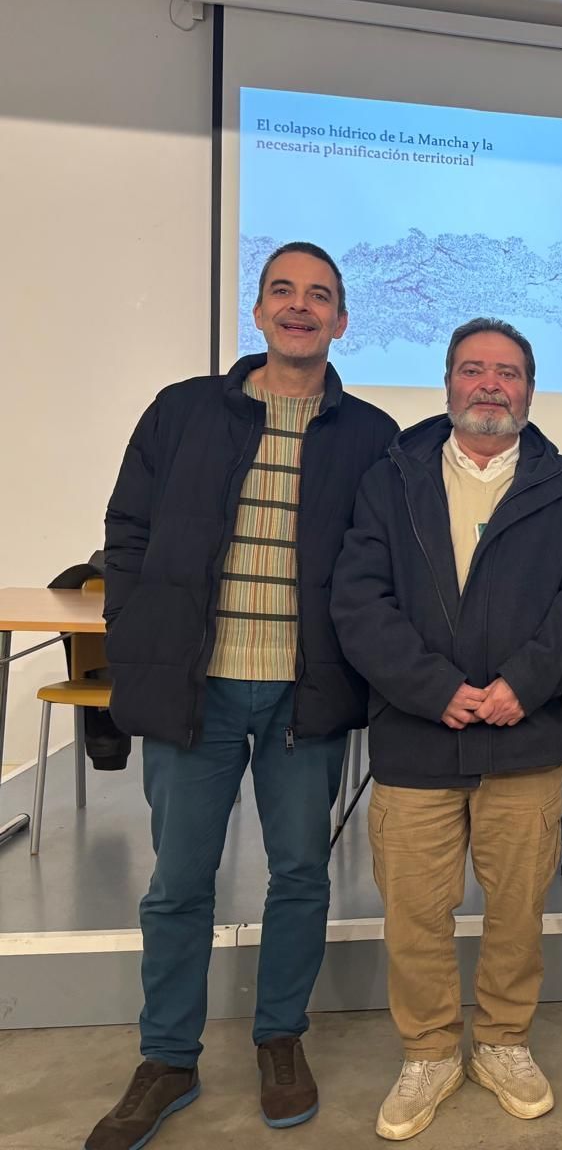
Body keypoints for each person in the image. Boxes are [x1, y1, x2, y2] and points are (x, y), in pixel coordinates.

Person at [89, 243, 397, 1150]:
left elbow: (377, 563)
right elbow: (127, 531)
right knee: (178, 882)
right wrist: (140, 635)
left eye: (320, 297)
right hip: (198, 689)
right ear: (258, 311)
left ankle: (279, 1039)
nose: (300, 308)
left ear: (342, 321)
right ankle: (166, 1059)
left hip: (308, 692)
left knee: (299, 876)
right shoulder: (182, 412)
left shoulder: (371, 435)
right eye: (283, 292)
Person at [330, 317, 562, 1141]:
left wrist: (521, 685)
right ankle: (427, 1053)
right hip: (417, 736)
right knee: (414, 909)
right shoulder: (393, 477)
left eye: (508, 372)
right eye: (473, 370)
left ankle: (501, 1042)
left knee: (516, 907)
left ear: (530, 387)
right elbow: (358, 600)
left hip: (523, 739)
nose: (490, 385)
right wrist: (436, 689)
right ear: (448, 383)